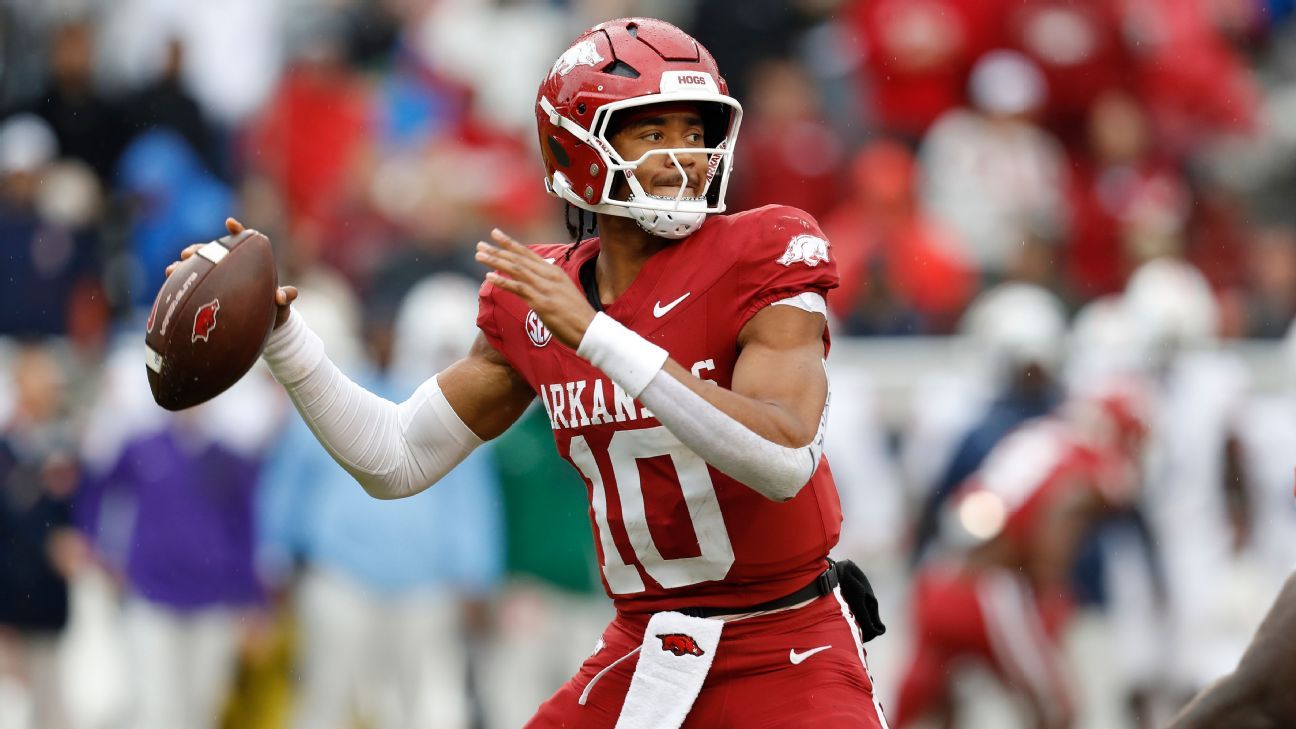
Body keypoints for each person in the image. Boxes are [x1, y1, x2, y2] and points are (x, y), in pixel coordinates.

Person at [169, 16, 888, 728]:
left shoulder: (764, 248)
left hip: (786, 640)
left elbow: (782, 458)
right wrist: (284, 340)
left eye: (695, 132)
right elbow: (396, 458)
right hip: (648, 645)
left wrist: (599, 336)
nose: (685, 156)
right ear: (576, 148)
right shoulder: (538, 298)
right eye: (653, 131)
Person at [892, 381, 1148, 729]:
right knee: (1057, 709)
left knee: (928, 709)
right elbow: (1061, 515)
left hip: (937, 578)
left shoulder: (1039, 436)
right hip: (991, 590)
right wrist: (1050, 588)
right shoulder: (1094, 462)